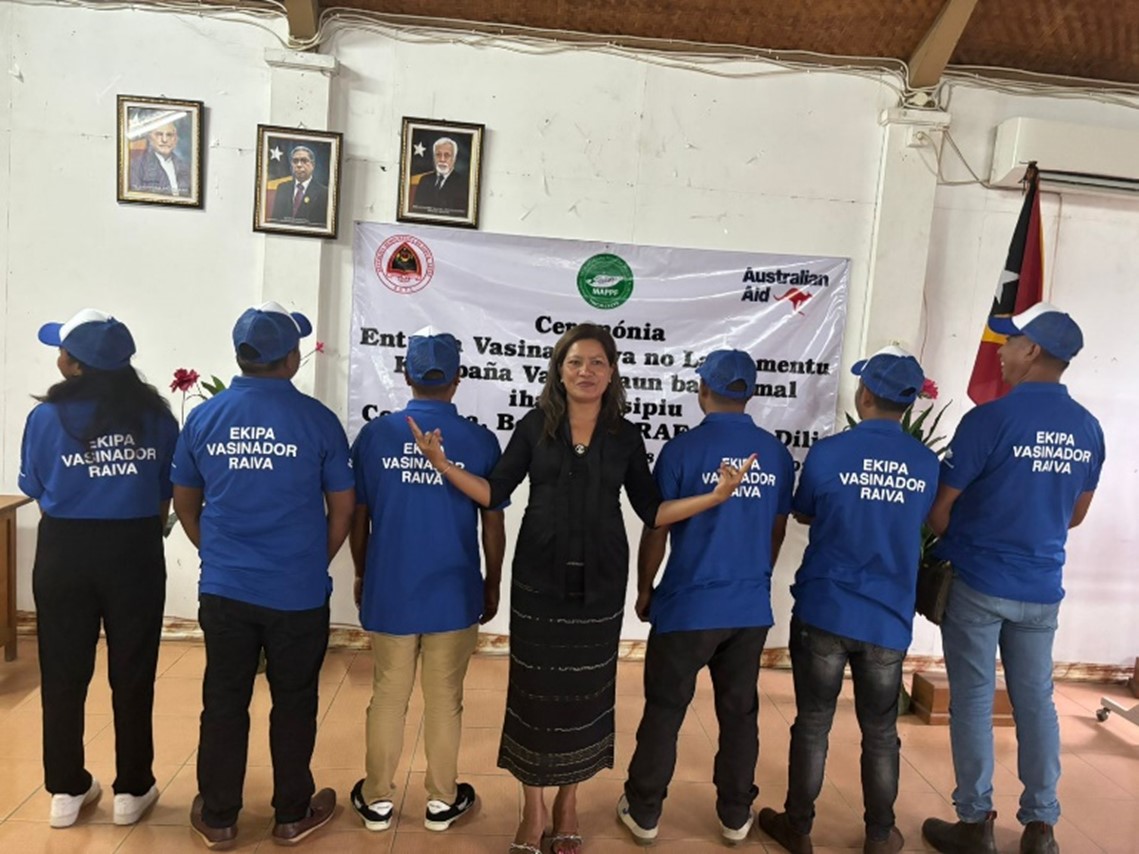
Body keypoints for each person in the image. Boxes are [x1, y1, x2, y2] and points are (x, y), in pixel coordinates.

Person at [408, 323, 757, 854]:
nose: (585, 372)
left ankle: (569, 803)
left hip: (601, 583)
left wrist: (714, 497)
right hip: (538, 580)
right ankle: (533, 809)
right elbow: (493, 491)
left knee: (586, 696)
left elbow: (654, 511)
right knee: (535, 693)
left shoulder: (625, 434)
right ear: (559, 370)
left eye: (596, 362)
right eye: (575, 362)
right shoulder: (533, 426)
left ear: (612, 372)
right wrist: (441, 463)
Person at [921, 304, 1104, 854]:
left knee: (974, 702)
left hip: (979, 581)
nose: (1000, 351)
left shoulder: (989, 420)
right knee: (1037, 702)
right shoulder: (1088, 428)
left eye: (1010, 341)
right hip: (1042, 585)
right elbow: (1076, 514)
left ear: (1034, 351)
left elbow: (940, 508)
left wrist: (970, 539)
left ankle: (975, 822)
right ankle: (1041, 826)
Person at [172, 301, 355, 849]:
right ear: (292, 358)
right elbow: (342, 510)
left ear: (240, 355)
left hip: (225, 588)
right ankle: (292, 814)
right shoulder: (318, 420)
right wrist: (309, 562)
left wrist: (219, 555)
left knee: (224, 697)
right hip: (296, 592)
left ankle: (220, 817)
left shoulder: (204, 418)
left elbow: (184, 503)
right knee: (295, 698)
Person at [757, 346, 940, 854]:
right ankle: (880, 834)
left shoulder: (830, 454)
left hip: (825, 609)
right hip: (886, 619)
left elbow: (806, 513)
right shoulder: (926, 464)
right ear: (908, 405)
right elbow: (921, 519)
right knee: (880, 731)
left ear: (864, 395)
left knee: (813, 722)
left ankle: (798, 826)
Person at [617, 349, 794, 846]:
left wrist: (645, 586)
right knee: (740, 714)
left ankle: (645, 812)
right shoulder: (774, 454)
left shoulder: (682, 451)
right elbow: (776, 531)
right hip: (747, 608)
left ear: (703, 390)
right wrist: (757, 577)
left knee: (665, 710)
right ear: (750, 393)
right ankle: (737, 816)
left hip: (687, 606)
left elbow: (657, 525)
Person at [19, 308, 178, 828]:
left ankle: (67, 790)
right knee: (133, 673)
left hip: (65, 549)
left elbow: (37, 488)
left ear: (77, 366)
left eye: (62, 350)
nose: (58, 357)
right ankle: (133, 789)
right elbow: (164, 492)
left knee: (63, 673)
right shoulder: (156, 417)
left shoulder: (45, 418)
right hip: (134, 547)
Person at [348, 329, 506, 834]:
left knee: (388, 696)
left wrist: (360, 572)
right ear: (458, 380)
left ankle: (376, 800)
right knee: (445, 699)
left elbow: (359, 517)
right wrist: (492, 581)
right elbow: (493, 521)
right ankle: (442, 801)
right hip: (454, 589)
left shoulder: (375, 436)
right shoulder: (480, 440)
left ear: (406, 376)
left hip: (390, 587)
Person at [269, 145, 329, 226]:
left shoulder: (323, 192)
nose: (299, 165)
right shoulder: (282, 188)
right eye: (295, 161)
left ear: (313, 165)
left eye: (304, 161)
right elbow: (275, 220)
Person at [128, 120, 191, 196]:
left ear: (175, 139)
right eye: (159, 134)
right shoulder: (135, 167)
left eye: (169, 135)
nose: (164, 140)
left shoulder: (186, 167)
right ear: (149, 137)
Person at [410, 137, 470, 216]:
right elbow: (416, 211)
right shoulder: (424, 180)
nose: (442, 159)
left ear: (454, 159)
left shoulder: (463, 184)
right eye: (438, 155)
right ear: (434, 157)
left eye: (447, 155)